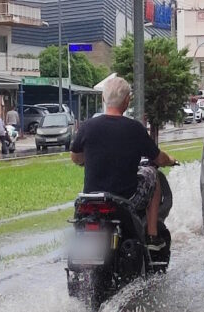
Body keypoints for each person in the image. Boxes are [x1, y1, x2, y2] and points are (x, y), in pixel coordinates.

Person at [70, 76, 177, 252]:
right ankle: (152, 235)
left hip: (92, 198)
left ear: (104, 99)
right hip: (126, 199)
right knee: (153, 175)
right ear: (127, 101)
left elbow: (75, 157)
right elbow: (158, 159)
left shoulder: (88, 126)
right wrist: (170, 160)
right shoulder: (135, 128)